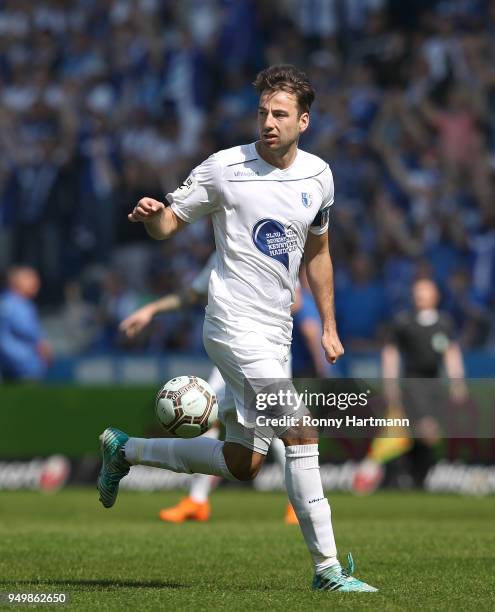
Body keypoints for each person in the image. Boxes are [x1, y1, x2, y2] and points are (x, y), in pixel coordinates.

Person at [98, 64, 377, 592]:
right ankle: (328, 570)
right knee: (300, 429)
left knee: (244, 461)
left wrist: (329, 325)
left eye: (279, 114)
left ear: (304, 121)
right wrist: (153, 215)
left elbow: (319, 251)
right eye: (262, 113)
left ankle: (125, 449)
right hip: (230, 323)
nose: (268, 122)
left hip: (276, 331)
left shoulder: (319, 176)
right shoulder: (225, 167)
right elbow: (169, 225)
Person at [120, 252, 298, 525]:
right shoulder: (222, 252)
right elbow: (191, 293)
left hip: (265, 354)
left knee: (277, 430)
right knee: (204, 415)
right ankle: (198, 500)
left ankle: (296, 503)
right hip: (228, 353)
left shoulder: (264, 243)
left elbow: (295, 300)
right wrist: (151, 310)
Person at [353, 277, 467, 493]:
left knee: (422, 434)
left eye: (425, 291)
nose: (421, 295)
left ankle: (411, 476)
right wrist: (390, 384)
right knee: (424, 429)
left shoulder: (444, 322)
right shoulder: (404, 322)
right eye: (418, 291)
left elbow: (452, 354)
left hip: (434, 384)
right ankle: (398, 474)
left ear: (436, 295)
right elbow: (391, 354)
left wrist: (457, 383)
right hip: (412, 383)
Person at [0, 266, 52, 382]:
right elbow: (31, 334)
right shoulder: (14, 304)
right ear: (15, 281)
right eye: (30, 277)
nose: (36, 281)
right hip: (22, 367)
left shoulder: (17, 303)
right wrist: (44, 348)